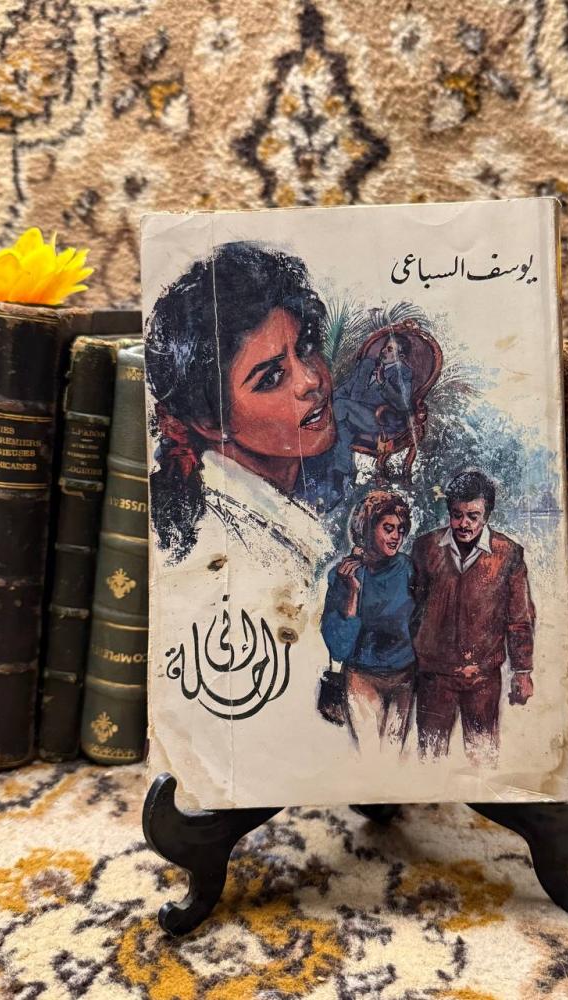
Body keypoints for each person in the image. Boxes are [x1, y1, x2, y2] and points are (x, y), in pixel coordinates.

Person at [145, 241, 337, 564]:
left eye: (305, 347)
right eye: (271, 377)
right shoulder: (225, 545)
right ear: (210, 421)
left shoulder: (292, 506)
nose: (310, 381)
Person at [410, 468, 535, 765]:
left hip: (483, 678)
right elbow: (412, 606)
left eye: (472, 516)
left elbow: (519, 617)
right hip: (434, 676)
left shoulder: (508, 554)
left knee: (483, 759)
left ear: (486, 515)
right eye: (457, 515)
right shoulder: (426, 548)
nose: (463, 523)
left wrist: (522, 671)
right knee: (429, 759)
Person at [320, 490, 416, 753]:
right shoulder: (345, 574)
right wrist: (352, 592)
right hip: (361, 676)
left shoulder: (408, 569)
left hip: (403, 677)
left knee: (393, 755)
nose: (396, 537)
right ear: (368, 528)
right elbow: (339, 649)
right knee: (370, 755)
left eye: (400, 530)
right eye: (388, 528)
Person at [327, 332, 414, 498]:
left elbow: (403, 404)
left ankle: (340, 472)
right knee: (343, 429)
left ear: (401, 357)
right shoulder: (367, 364)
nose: (384, 351)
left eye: (390, 350)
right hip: (354, 414)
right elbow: (347, 387)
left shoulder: (403, 373)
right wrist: (328, 400)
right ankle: (341, 476)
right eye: (384, 347)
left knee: (340, 407)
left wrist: (383, 383)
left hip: (381, 420)